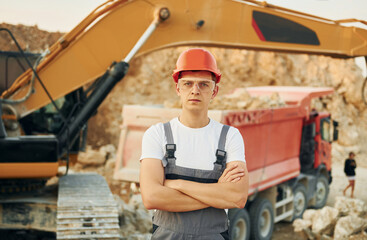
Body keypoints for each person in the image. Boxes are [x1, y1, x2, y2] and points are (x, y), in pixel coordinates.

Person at [139, 48, 249, 240]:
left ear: (214, 91)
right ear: (178, 89)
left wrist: (177, 184)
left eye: (204, 85)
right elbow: (151, 197)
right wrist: (217, 194)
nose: (195, 91)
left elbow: (237, 197)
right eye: (188, 83)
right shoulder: (158, 134)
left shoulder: (230, 136)